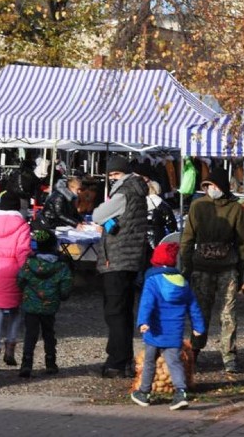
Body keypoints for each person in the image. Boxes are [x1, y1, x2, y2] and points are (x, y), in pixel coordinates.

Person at [179, 167, 244, 374]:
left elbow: (243, 241)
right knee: (200, 312)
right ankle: (195, 351)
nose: (211, 189)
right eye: (208, 186)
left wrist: (242, 270)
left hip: (228, 267)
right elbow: (188, 237)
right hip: (201, 267)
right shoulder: (198, 206)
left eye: (214, 186)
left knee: (229, 315)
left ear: (223, 188)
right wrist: (186, 265)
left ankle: (229, 356)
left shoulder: (236, 209)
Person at [92, 154, 149, 378]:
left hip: (117, 258)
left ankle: (117, 361)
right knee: (123, 311)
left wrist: (104, 221)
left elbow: (97, 214)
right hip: (131, 258)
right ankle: (122, 359)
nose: (112, 178)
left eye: (114, 174)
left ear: (122, 174)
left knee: (114, 312)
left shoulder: (124, 192)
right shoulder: (138, 191)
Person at [130, 241, 205, 411]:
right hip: (174, 333)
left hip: (154, 332)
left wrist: (143, 322)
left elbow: (146, 303)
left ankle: (144, 393)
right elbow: (194, 307)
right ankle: (181, 393)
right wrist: (198, 327)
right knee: (174, 363)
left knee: (149, 362)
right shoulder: (183, 283)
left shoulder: (152, 281)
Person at [0, 191, 32, 371]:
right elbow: (23, 252)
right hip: (14, 269)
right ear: (18, 207)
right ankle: (10, 349)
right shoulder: (22, 226)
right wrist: (25, 273)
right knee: (16, 312)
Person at [16, 226, 72, 377]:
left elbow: (20, 280)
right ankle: (50, 362)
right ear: (54, 246)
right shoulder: (61, 266)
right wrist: (61, 296)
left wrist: (26, 292)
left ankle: (26, 364)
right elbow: (65, 289)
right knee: (49, 333)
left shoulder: (29, 264)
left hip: (31, 305)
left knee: (30, 334)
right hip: (50, 306)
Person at [146, 180, 178, 247]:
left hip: (142, 237)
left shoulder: (140, 202)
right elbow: (170, 222)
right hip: (158, 235)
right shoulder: (161, 203)